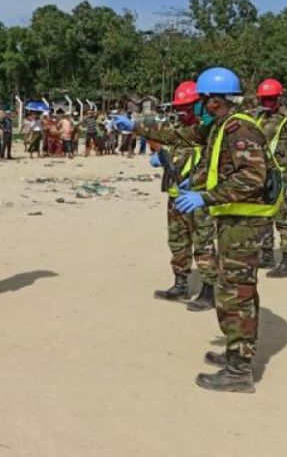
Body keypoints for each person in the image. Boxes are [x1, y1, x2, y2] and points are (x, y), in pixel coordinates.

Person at [116, 66, 276, 393]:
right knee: (235, 289)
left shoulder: (238, 130)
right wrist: (136, 126)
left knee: (236, 291)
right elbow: (182, 136)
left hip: (244, 223)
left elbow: (252, 178)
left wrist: (204, 196)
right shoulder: (219, 126)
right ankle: (237, 352)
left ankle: (239, 370)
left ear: (215, 100)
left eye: (202, 100)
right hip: (234, 219)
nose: (199, 106)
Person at [149, 81, 218, 312]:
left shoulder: (208, 130)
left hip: (198, 197)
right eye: (179, 107)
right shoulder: (177, 128)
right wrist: (161, 159)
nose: (182, 112)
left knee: (203, 242)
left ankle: (209, 291)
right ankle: (180, 284)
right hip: (176, 195)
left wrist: (198, 183)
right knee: (178, 241)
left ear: (199, 104)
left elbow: (215, 162)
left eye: (187, 107)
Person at [255, 79, 287, 277]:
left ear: (278, 98)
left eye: (270, 99)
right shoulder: (258, 117)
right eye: (264, 99)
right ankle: (267, 255)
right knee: (263, 216)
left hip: (282, 176)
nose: (267, 103)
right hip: (261, 175)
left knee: (283, 218)